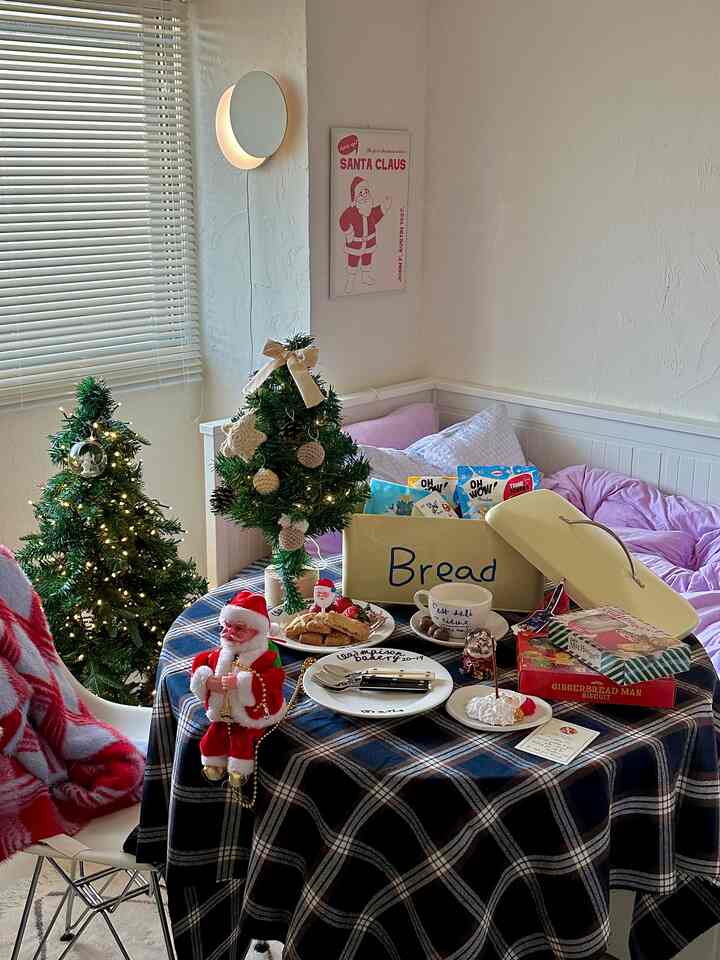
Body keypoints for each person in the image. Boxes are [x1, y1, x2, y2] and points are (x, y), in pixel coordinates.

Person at [189, 591, 286, 786]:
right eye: (227, 626)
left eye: (239, 628)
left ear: (257, 631)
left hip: (249, 714)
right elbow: (200, 666)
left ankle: (239, 771)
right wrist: (207, 681)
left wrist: (242, 683)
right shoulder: (220, 654)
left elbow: (274, 679)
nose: (229, 632)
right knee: (212, 736)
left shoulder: (265, 657)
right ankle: (213, 763)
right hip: (222, 712)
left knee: (242, 739)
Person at [339, 176, 392, 293]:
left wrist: (384, 207)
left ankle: (365, 276)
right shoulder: (350, 212)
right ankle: (351, 280)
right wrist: (348, 232)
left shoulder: (370, 211)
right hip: (355, 244)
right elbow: (343, 221)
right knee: (352, 261)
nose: (365, 195)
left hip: (369, 243)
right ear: (355, 196)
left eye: (366, 192)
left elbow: (376, 215)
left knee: (367, 259)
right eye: (361, 193)